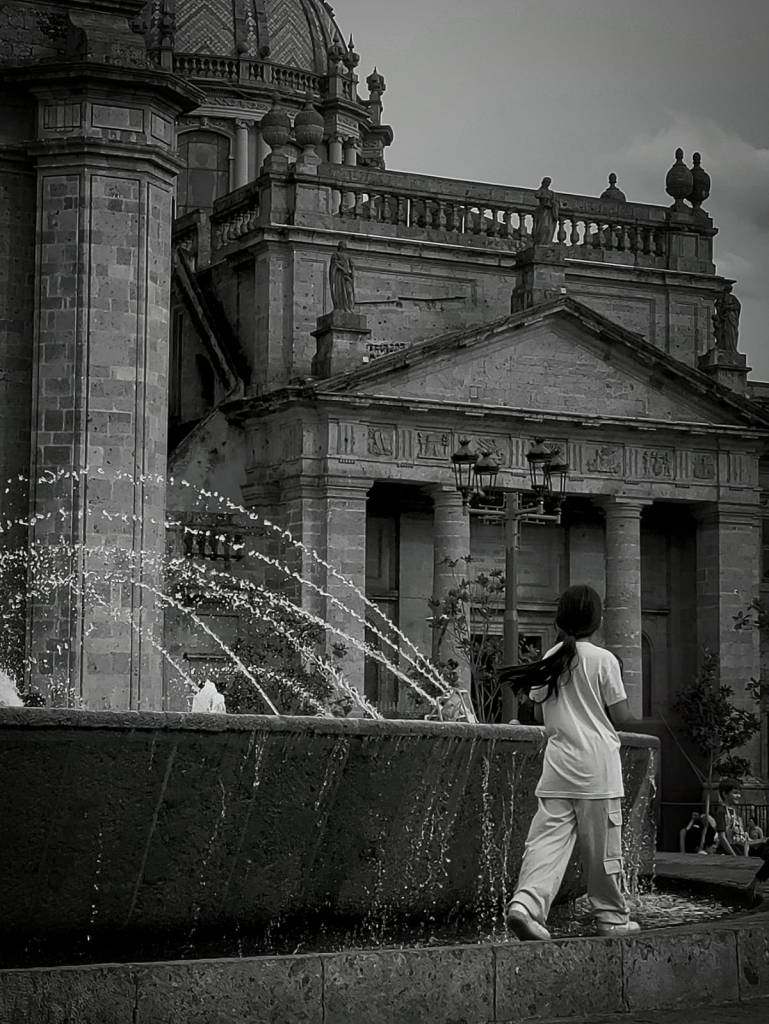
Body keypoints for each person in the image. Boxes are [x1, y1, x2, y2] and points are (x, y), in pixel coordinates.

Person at [498, 584, 639, 940]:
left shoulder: (552, 656)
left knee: (546, 844)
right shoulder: (604, 660)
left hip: (559, 769)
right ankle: (611, 918)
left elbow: (538, 710)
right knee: (602, 851)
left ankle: (526, 906)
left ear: (560, 620)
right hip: (598, 771)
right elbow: (621, 716)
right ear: (598, 620)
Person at [531, 176, 560, 245]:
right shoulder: (540, 191)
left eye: (549, 182)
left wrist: (553, 204)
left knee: (548, 229)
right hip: (543, 211)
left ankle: (546, 241)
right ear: (543, 182)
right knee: (542, 227)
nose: (547, 183)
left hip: (549, 212)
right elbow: (537, 195)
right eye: (546, 182)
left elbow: (555, 201)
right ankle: (541, 241)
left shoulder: (551, 192)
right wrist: (544, 197)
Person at [329, 240, 356, 312]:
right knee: (340, 291)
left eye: (345, 245)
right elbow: (334, 264)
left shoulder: (348, 256)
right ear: (340, 246)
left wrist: (352, 272)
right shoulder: (335, 254)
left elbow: (352, 265)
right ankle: (340, 307)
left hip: (347, 276)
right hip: (339, 276)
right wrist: (342, 268)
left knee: (349, 291)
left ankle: (348, 307)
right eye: (343, 244)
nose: (345, 246)